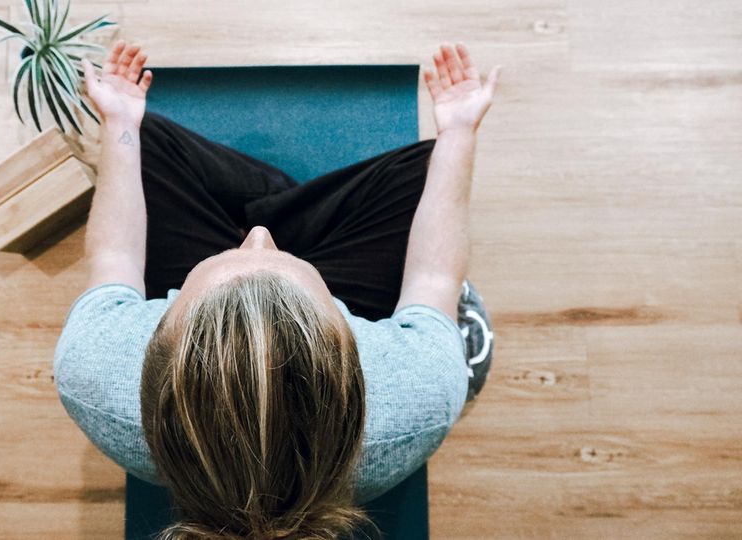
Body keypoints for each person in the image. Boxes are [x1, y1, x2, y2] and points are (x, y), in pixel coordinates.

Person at [54, 38, 500, 540]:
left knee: (146, 139)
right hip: (370, 299)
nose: (259, 240)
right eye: (280, 260)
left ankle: (273, 196)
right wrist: (460, 130)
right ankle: (288, 201)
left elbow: (114, 257)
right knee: (422, 170)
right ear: (351, 344)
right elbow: (433, 280)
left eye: (239, 253)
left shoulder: (94, 370)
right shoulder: (416, 395)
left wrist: (119, 123)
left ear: (154, 340)